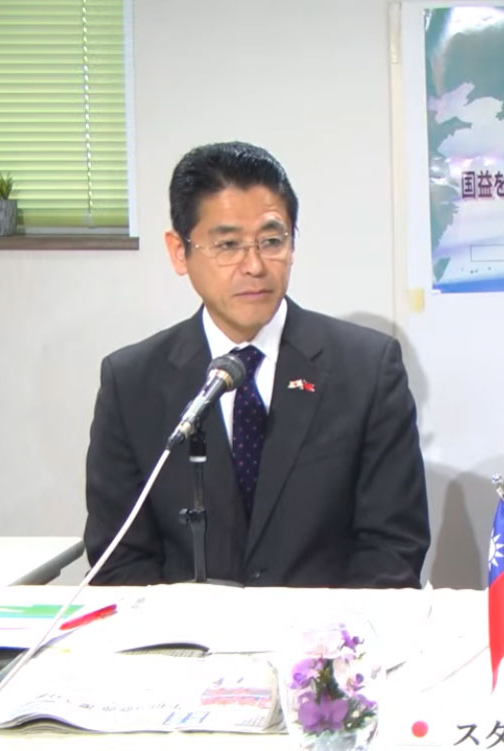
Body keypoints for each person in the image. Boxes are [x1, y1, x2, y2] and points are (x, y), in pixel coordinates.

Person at [83, 141, 429, 587]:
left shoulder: (367, 369)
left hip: (328, 629)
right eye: (228, 245)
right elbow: (118, 559)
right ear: (179, 252)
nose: (254, 266)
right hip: (184, 631)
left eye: (272, 241)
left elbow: (393, 549)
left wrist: (326, 632)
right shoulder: (131, 383)